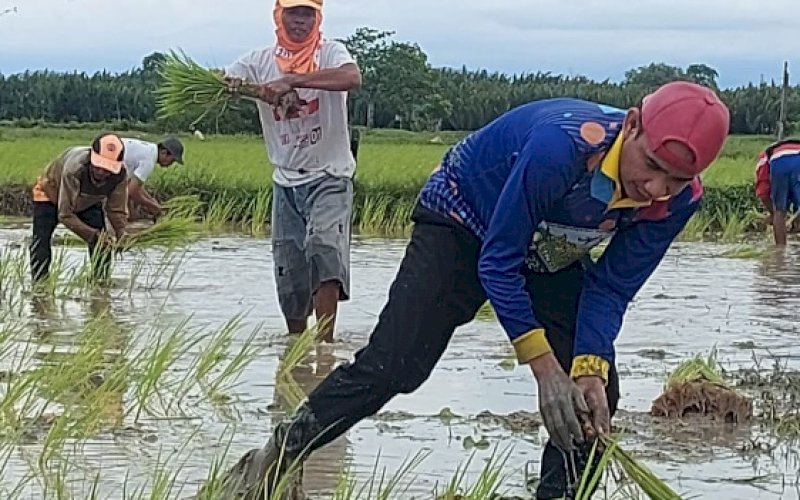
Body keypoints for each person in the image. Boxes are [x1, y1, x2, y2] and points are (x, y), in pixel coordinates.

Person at [207, 80, 730, 500]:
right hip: (463, 220)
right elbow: (498, 262)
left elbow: (610, 289)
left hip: (550, 248)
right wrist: (544, 370)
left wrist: (587, 367)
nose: (656, 189)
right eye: (652, 165)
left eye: (676, 180)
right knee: (396, 365)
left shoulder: (677, 203)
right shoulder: (564, 148)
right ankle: (282, 449)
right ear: (632, 125)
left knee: (594, 397)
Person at [223, 0, 362, 343]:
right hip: (286, 178)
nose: (300, 21)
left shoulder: (330, 53)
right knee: (289, 266)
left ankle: (325, 346)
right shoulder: (258, 62)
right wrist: (261, 92)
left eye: (307, 14)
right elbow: (223, 82)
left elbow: (352, 77)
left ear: (317, 18)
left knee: (324, 246)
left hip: (329, 174)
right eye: (293, 13)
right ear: (279, 15)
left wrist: (292, 81)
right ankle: (295, 346)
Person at [30, 133, 129, 283]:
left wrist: (121, 233)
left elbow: (116, 210)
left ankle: (100, 283)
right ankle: (40, 284)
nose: (101, 172)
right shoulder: (75, 169)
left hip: (87, 200)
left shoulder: (120, 175)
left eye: (108, 169)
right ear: (91, 156)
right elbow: (65, 214)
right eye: (98, 166)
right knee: (41, 240)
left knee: (103, 244)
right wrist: (92, 235)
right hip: (51, 192)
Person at [121, 136, 185, 220]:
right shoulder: (149, 161)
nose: (171, 164)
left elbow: (135, 185)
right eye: (172, 160)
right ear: (164, 152)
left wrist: (151, 200)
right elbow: (131, 191)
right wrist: (152, 206)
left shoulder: (149, 149)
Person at [754, 138, 800, 246]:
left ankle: (780, 251)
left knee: (779, 211)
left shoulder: (764, 159)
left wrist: (773, 214)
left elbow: (763, 193)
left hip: (779, 162)